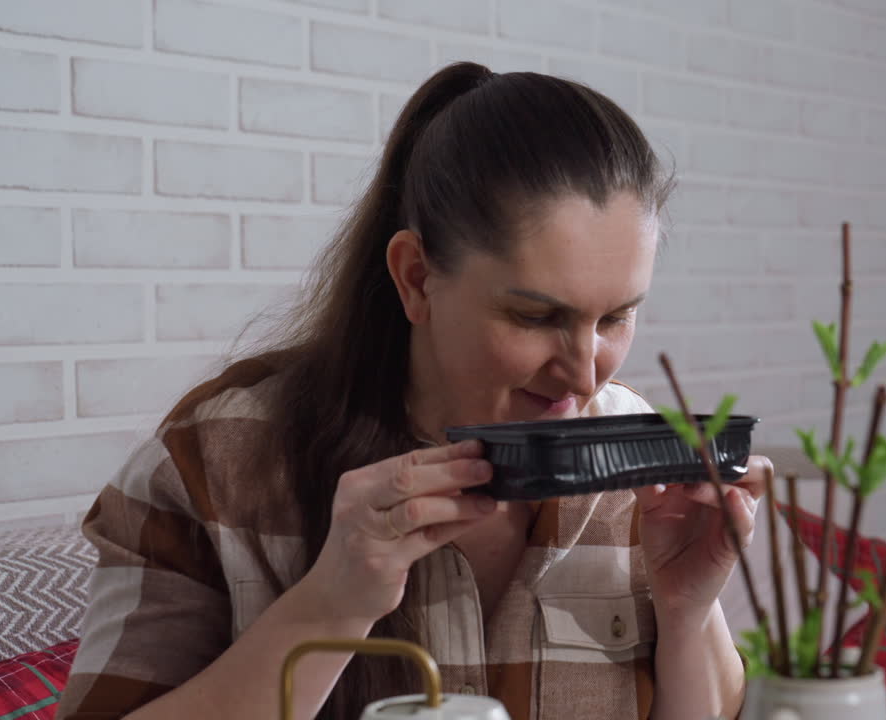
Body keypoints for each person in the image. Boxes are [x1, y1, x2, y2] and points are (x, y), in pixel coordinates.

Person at [56, 62, 771, 720]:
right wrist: (331, 606)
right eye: (535, 315)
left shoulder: (643, 463)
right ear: (416, 278)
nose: (587, 374)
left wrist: (688, 611)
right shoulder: (214, 460)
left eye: (615, 316)